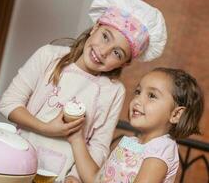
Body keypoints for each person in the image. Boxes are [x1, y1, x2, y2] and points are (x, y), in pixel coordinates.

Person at [0, 0, 167, 182]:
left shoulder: (114, 91)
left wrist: (75, 178)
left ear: (125, 63)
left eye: (117, 53)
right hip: (18, 162)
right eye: (105, 36)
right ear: (95, 27)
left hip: (62, 175)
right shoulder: (49, 56)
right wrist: (46, 128)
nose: (103, 52)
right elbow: (8, 103)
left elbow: (99, 146)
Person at [67, 67, 204, 183]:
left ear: (176, 114)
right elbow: (96, 179)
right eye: (138, 92)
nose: (137, 100)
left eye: (151, 95)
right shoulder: (132, 143)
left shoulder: (161, 149)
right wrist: (77, 139)